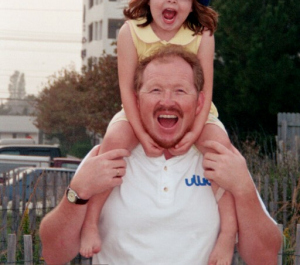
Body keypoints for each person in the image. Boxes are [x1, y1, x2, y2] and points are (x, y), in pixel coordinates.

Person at [40, 45, 282, 265]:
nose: (167, 102)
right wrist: (77, 192)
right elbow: (53, 254)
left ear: (199, 103)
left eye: (180, 91)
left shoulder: (222, 160)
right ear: (135, 100)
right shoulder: (107, 157)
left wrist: (245, 189)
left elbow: (266, 258)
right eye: (155, 90)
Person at [80, 0, 236, 264]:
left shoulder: (202, 35)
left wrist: (194, 133)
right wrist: (139, 131)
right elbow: (126, 88)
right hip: (139, 109)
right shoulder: (131, 32)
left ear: (193, 4)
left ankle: (228, 232)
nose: (172, 0)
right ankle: (90, 221)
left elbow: (204, 90)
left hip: (197, 111)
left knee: (222, 152)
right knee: (112, 144)